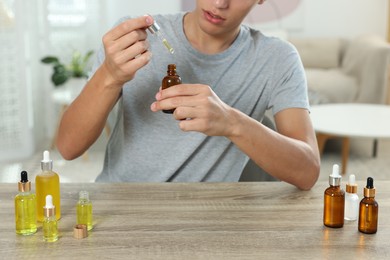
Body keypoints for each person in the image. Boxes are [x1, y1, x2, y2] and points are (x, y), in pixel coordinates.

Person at [56, 0, 320, 190]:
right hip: (120, 205)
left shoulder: (277, 59)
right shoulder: (133, 39)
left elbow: (307, 172)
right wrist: (110, 75)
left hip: (203, 217)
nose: (219, 3)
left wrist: (232, 122)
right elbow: (68, 147)